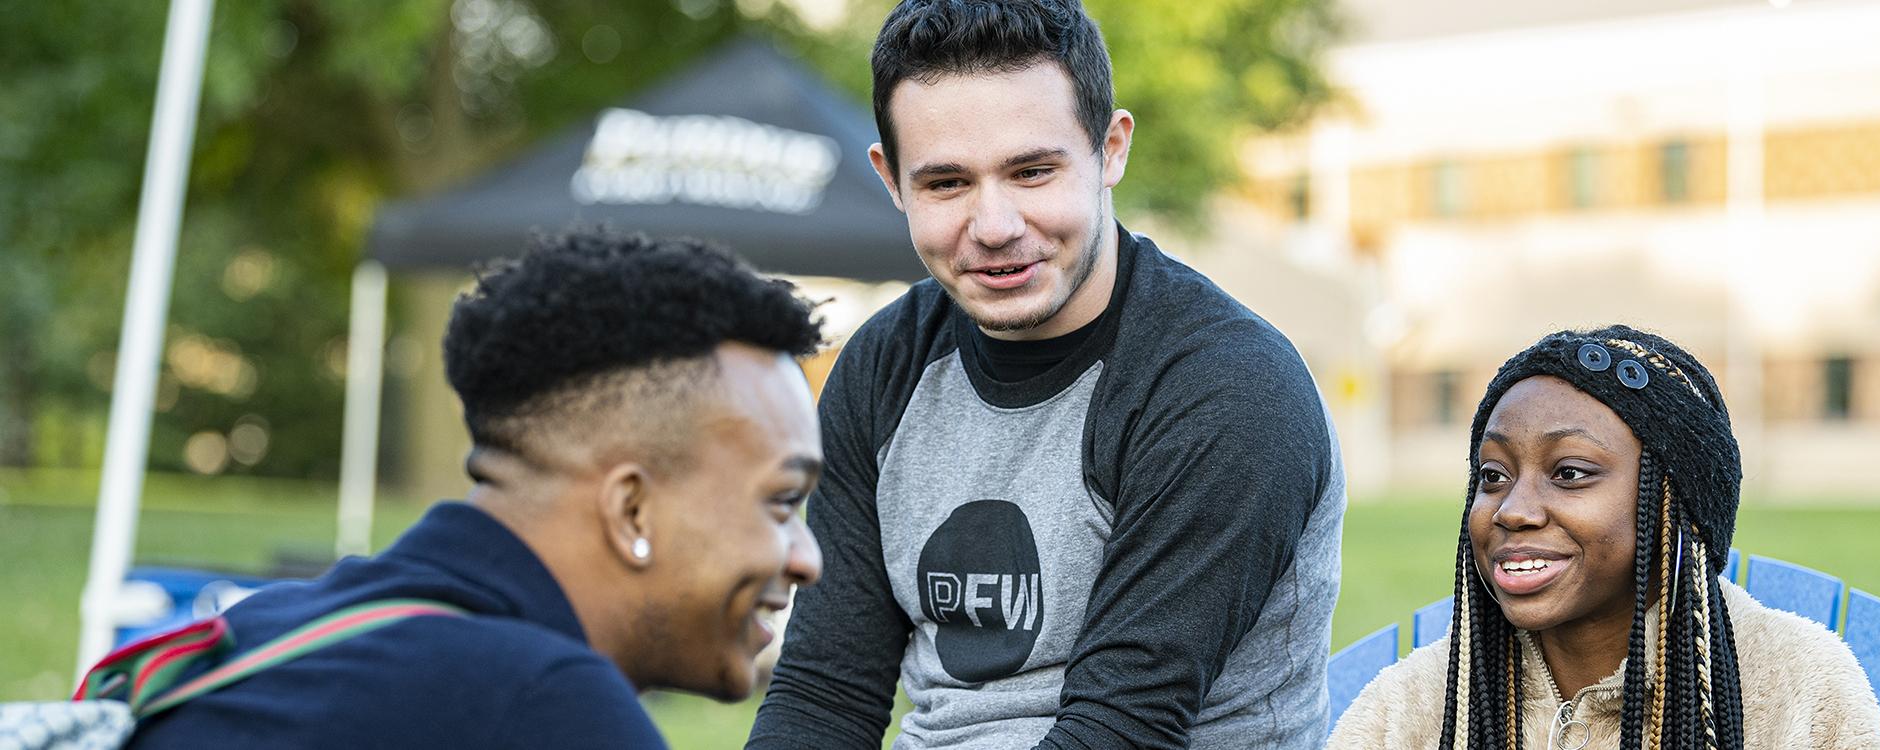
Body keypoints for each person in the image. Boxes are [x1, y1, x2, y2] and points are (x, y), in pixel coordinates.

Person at [748, 1, 1345, 748]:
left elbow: (1122, 728)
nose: (994, 225)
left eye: (1032, 171)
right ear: (891, 179)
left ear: (1111, 149)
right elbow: (825, 694)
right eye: (946, 184)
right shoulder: (882, 367)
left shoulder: (1227, 387)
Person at [128, 230, 826, 748]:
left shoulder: (259, 633)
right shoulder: (545, 708)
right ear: (631, 508)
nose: (807, 559)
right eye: (782, 504)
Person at [1330, 326, 1880, 749]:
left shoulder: (1796, 688)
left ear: (1673, 503)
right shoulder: (1414, 706)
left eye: (1570, 472)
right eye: (1494, 476)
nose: (1513, 510)